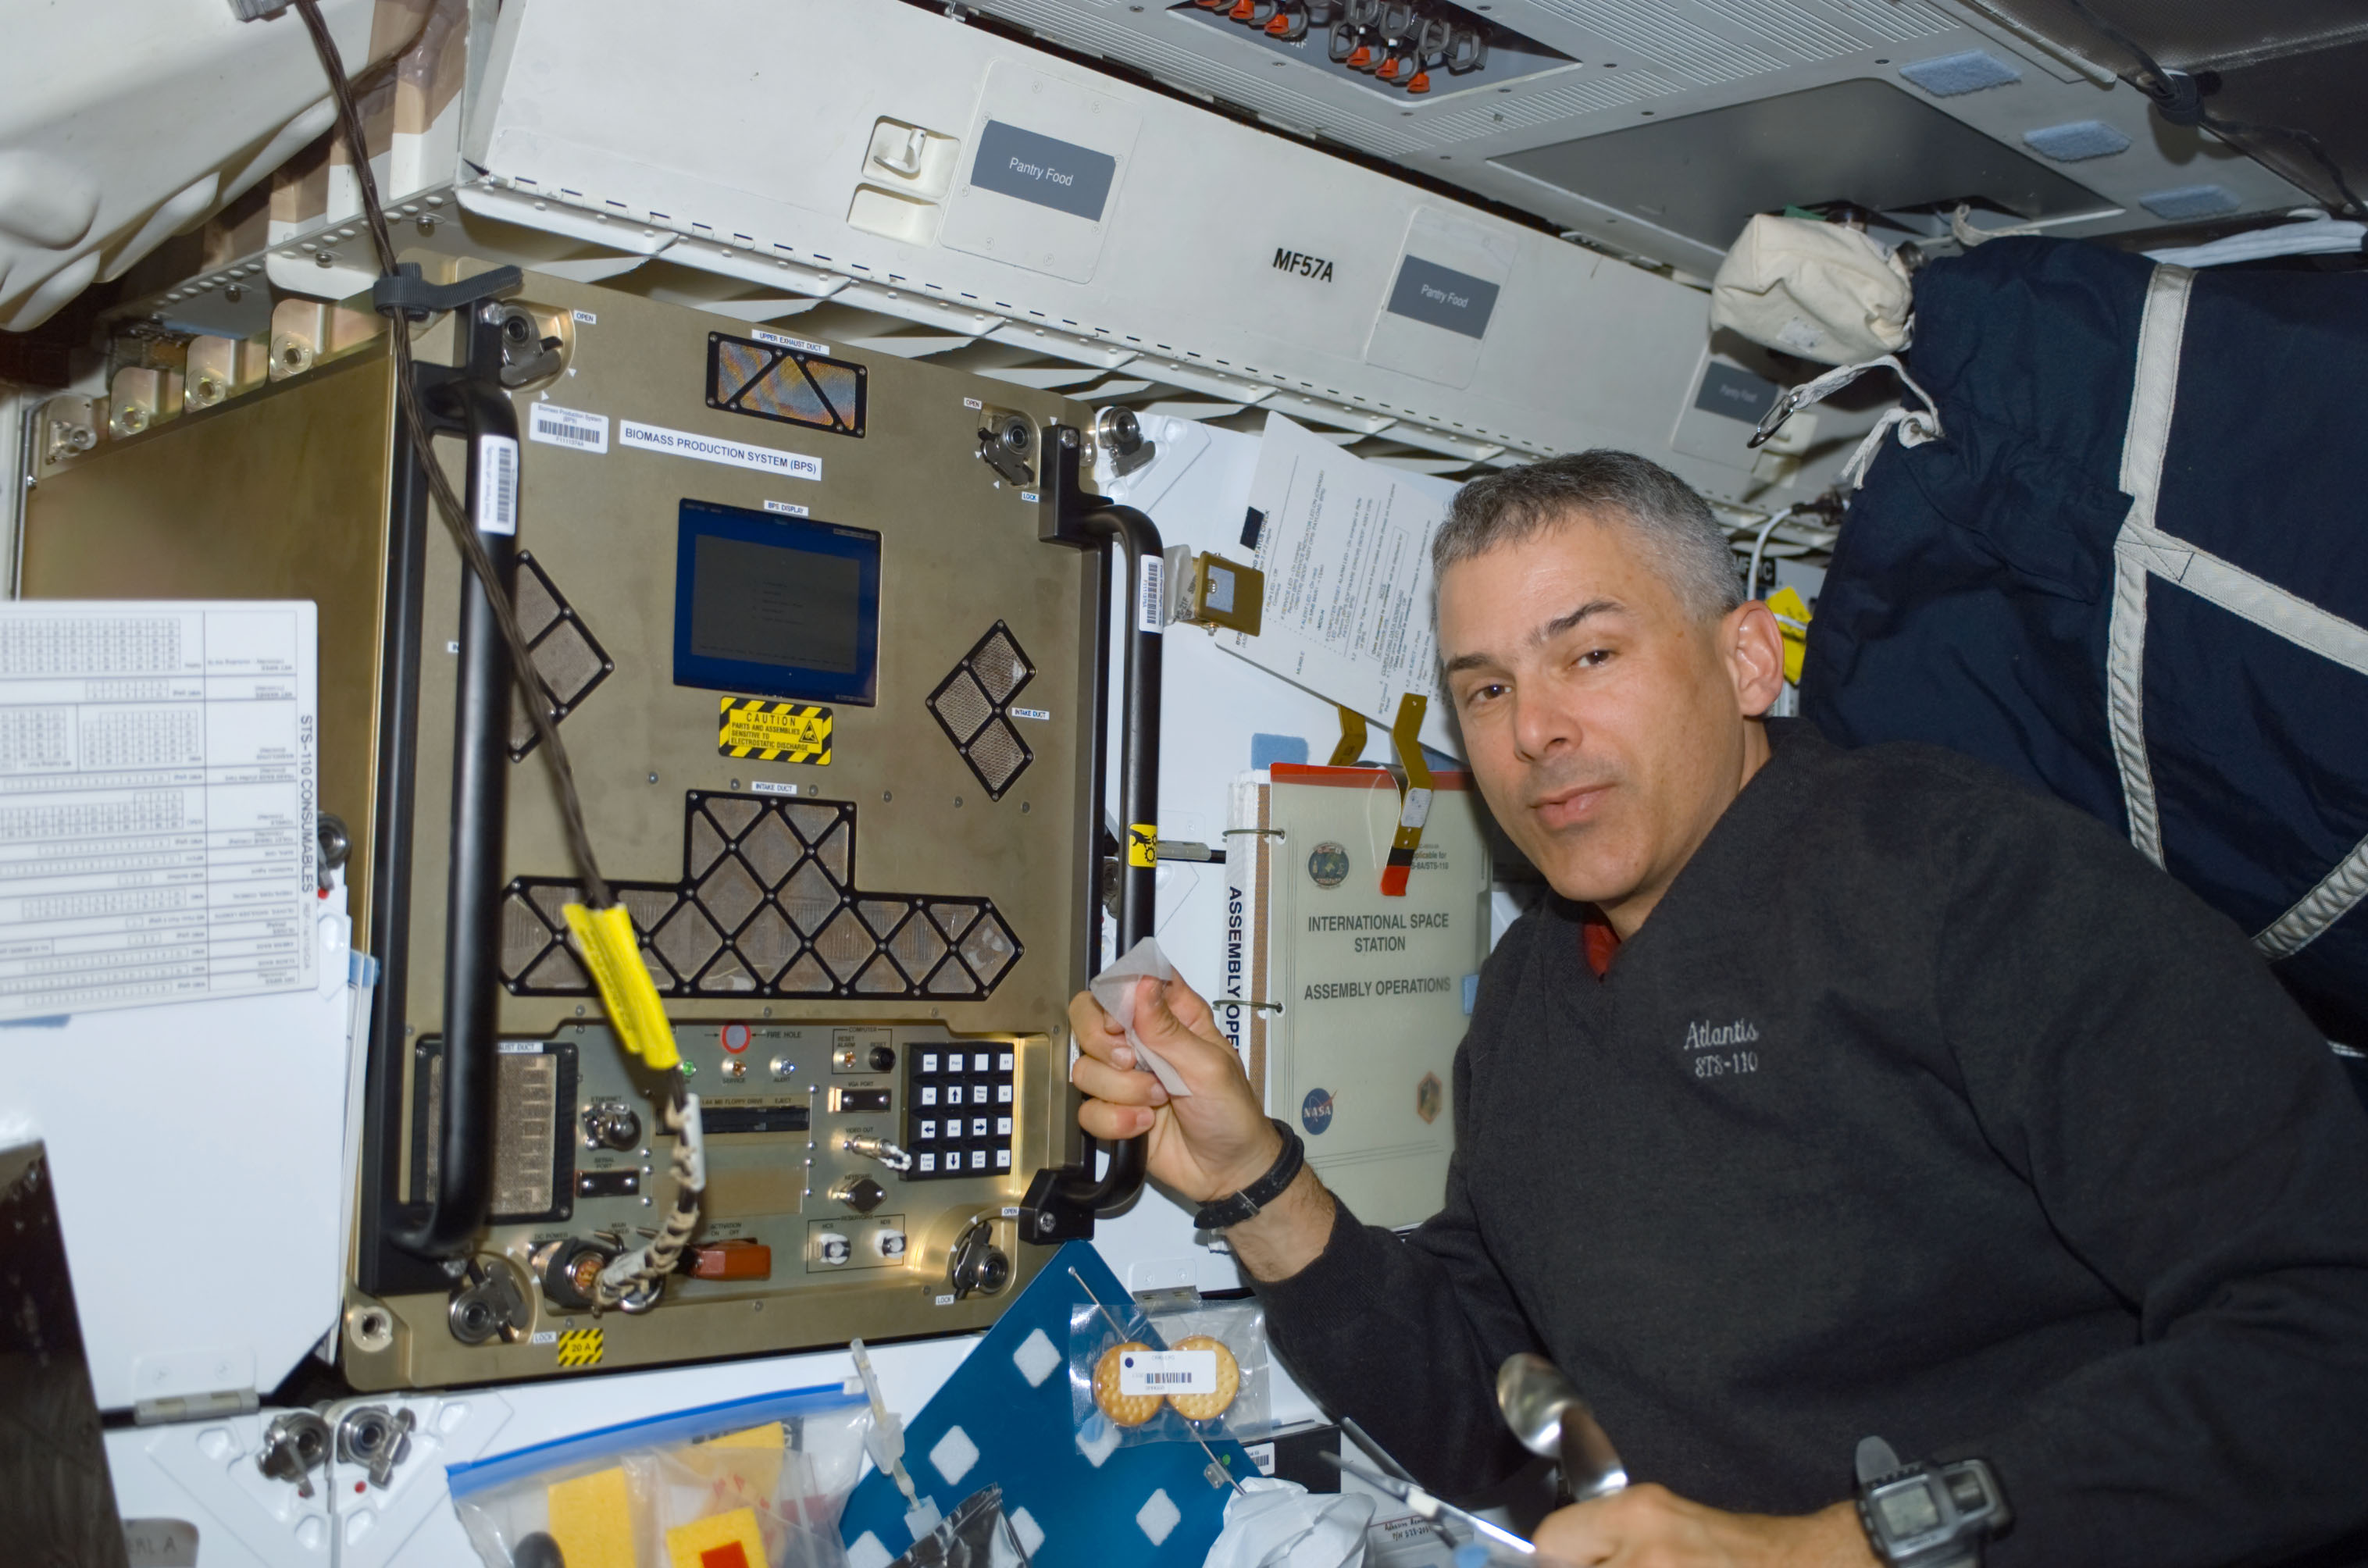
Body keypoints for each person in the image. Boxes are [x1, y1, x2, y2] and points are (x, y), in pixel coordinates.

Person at [1067, 451, 2368, 1568]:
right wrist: (1252, 1182)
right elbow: (1509, 1408)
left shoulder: (1967, 883)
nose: (1536, 732)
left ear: (1746, 659)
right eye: (1487, 689)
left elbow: (2325, 1341)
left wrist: (1840, 1546)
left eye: (1590, 653)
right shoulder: (1530, 1000)